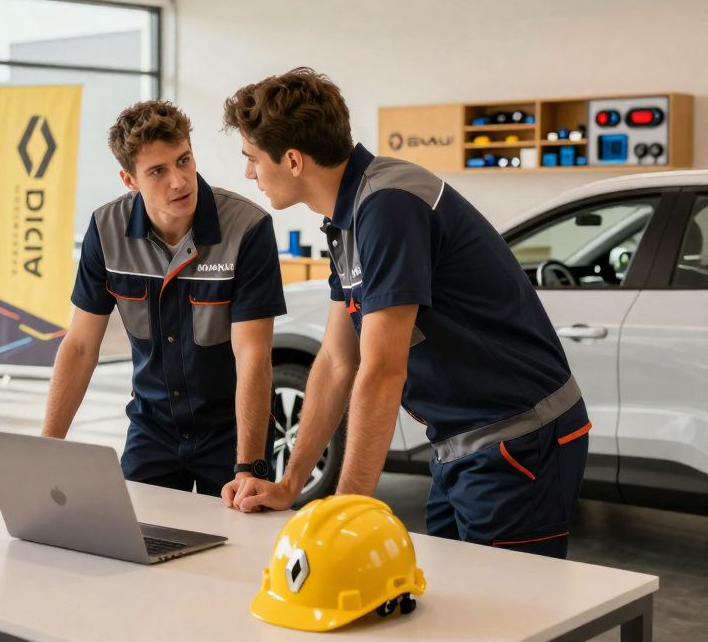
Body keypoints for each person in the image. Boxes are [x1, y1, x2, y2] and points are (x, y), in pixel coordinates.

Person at [225, 68, 589, 558]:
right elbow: (337, 361)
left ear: (292, 160)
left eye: (251, 159)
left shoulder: (388, 206)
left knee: (511, 618)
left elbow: (382, 368)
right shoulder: (348, 217)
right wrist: (290, 484)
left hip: (519, 440)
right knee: (451, 610)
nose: (248, 174)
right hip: (457, 444)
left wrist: (346, 509)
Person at [0, 100, 287, 500]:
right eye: (158, 171)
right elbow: (79, 346)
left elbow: (253, 355)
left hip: (233, 432)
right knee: (139, 549)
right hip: (152, 428)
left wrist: (247, 465)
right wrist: (46, 450)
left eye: (183, 161)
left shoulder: (248, 228)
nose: (179, 181)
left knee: (239, 547)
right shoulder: (105, 229)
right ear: (129, 179)